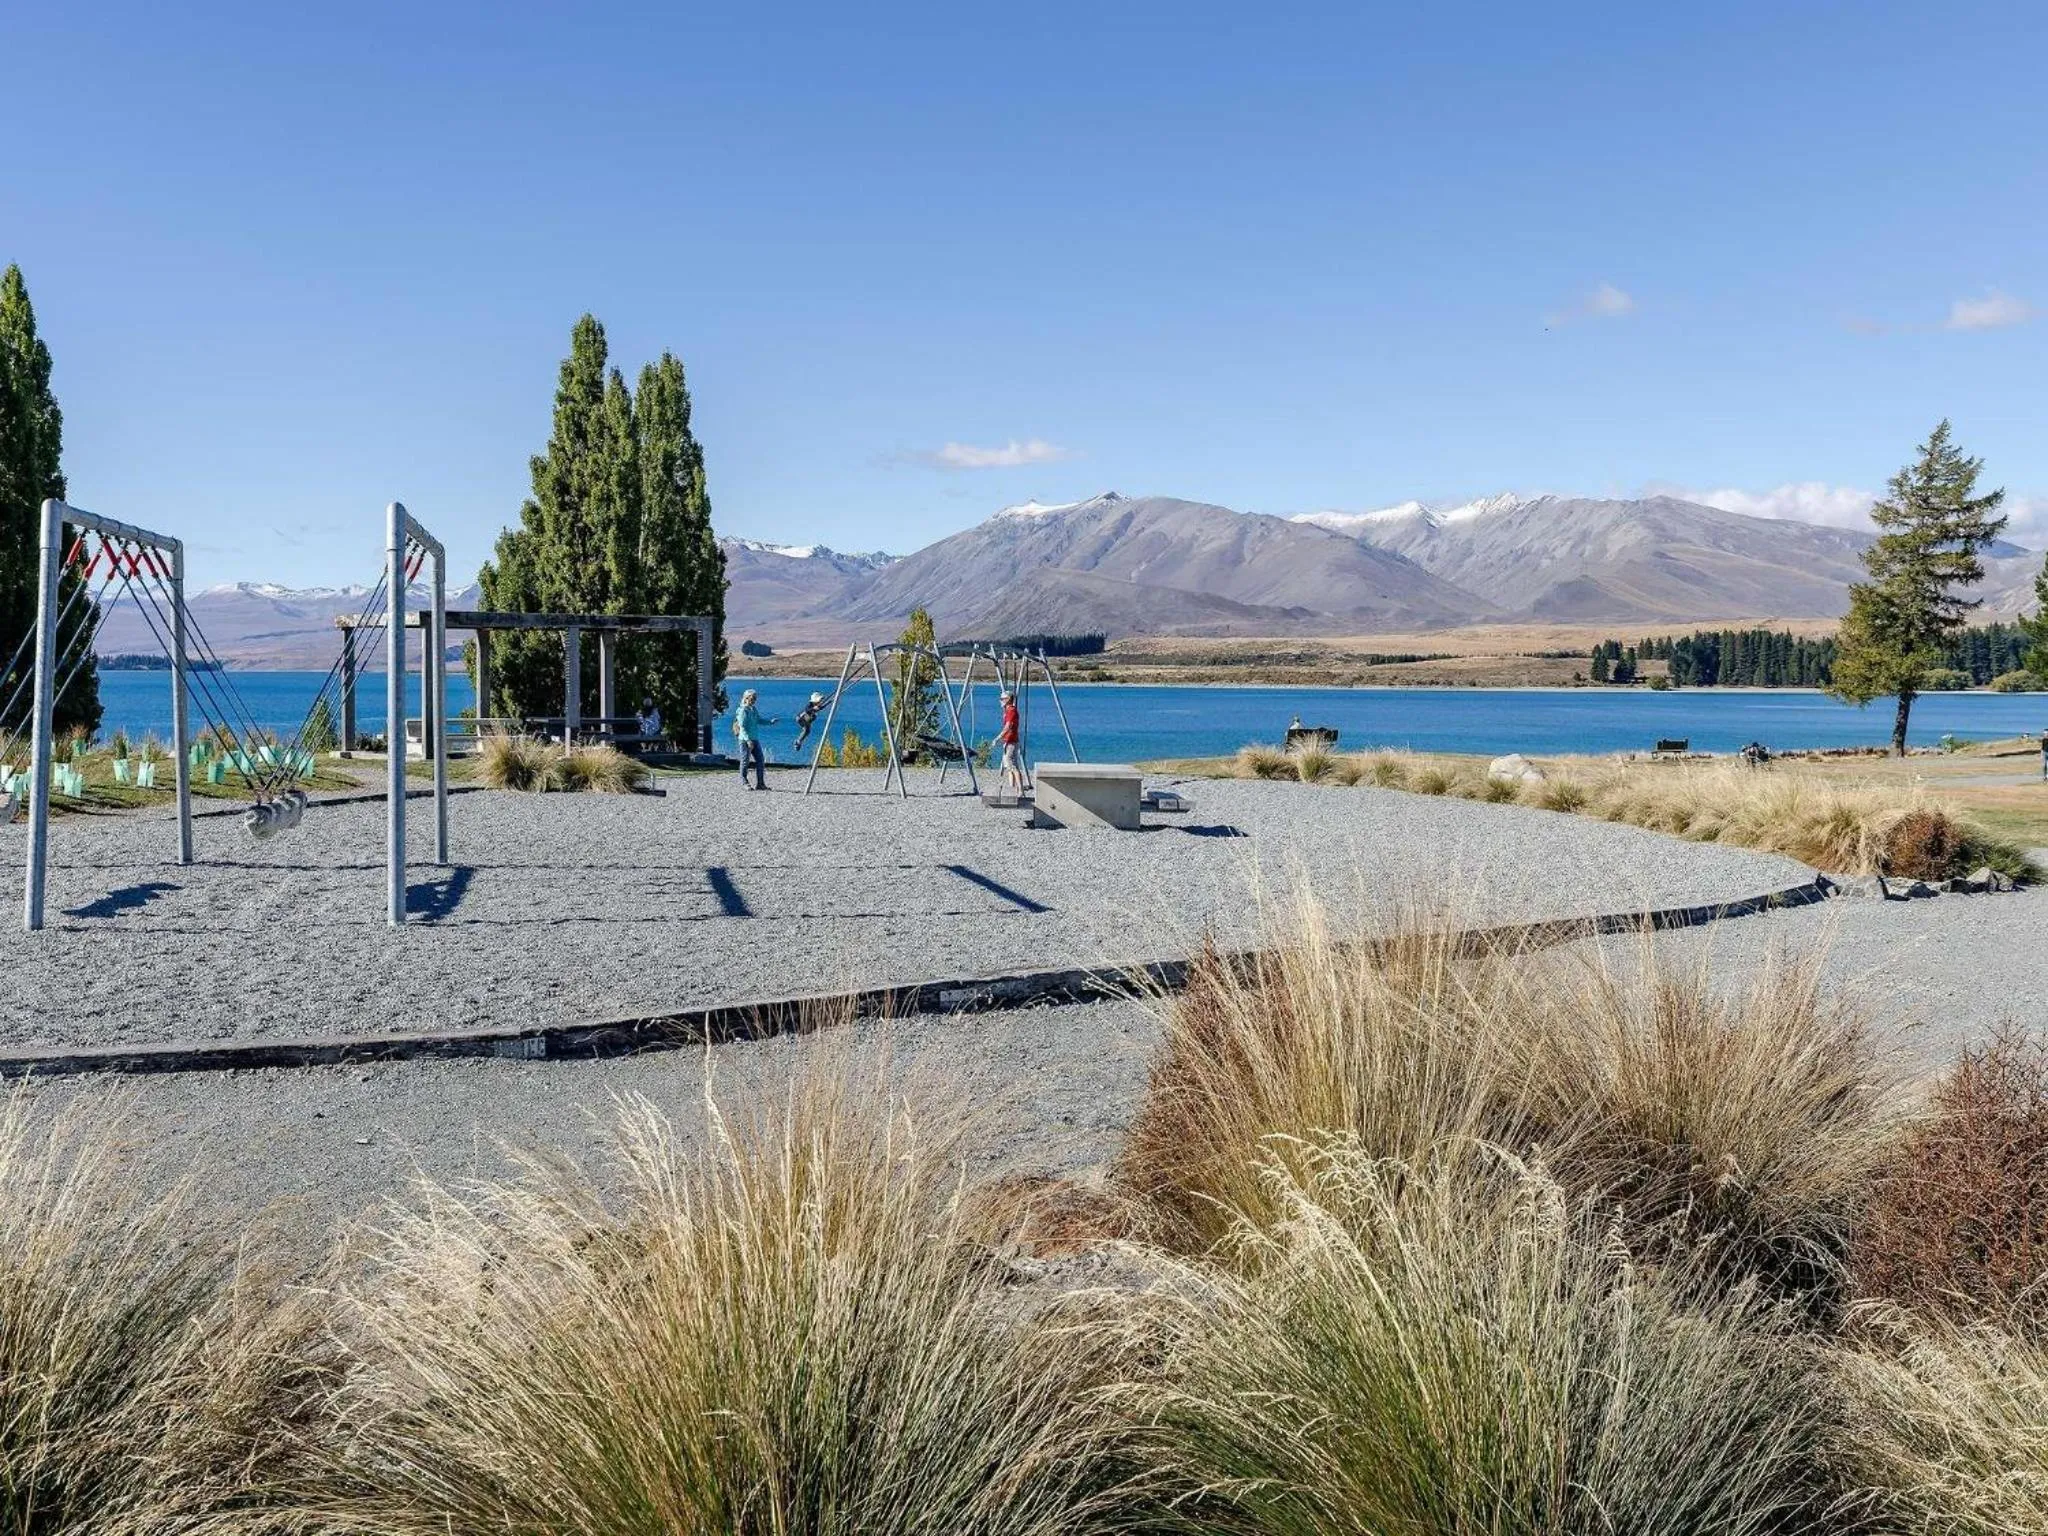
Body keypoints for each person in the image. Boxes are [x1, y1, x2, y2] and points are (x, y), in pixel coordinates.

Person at [732, 688, 776, 789]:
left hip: (755, 739)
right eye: (752, 699)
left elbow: (759, 720)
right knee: (745, 761)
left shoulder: (753, 709)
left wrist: (770, 722)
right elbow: (742, 727)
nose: (753, 701)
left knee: (760, 760)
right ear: (746, 698)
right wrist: (748, 740)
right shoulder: (743, 711)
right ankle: (744, 782)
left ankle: (760, 784)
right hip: (745, 740)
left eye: (755, 699)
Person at [997, 688, 1024, 792]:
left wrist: (998, 737)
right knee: (1009, 766)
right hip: (1008, 741)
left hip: (1011, 742)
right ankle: (1011, 788)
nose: (1000, 700)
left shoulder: (1011, 711)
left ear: (1008, 699)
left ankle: (1020, 790)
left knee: (1013, 766)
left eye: (1002, 698)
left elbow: (1008, 726)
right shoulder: (1008, 711)